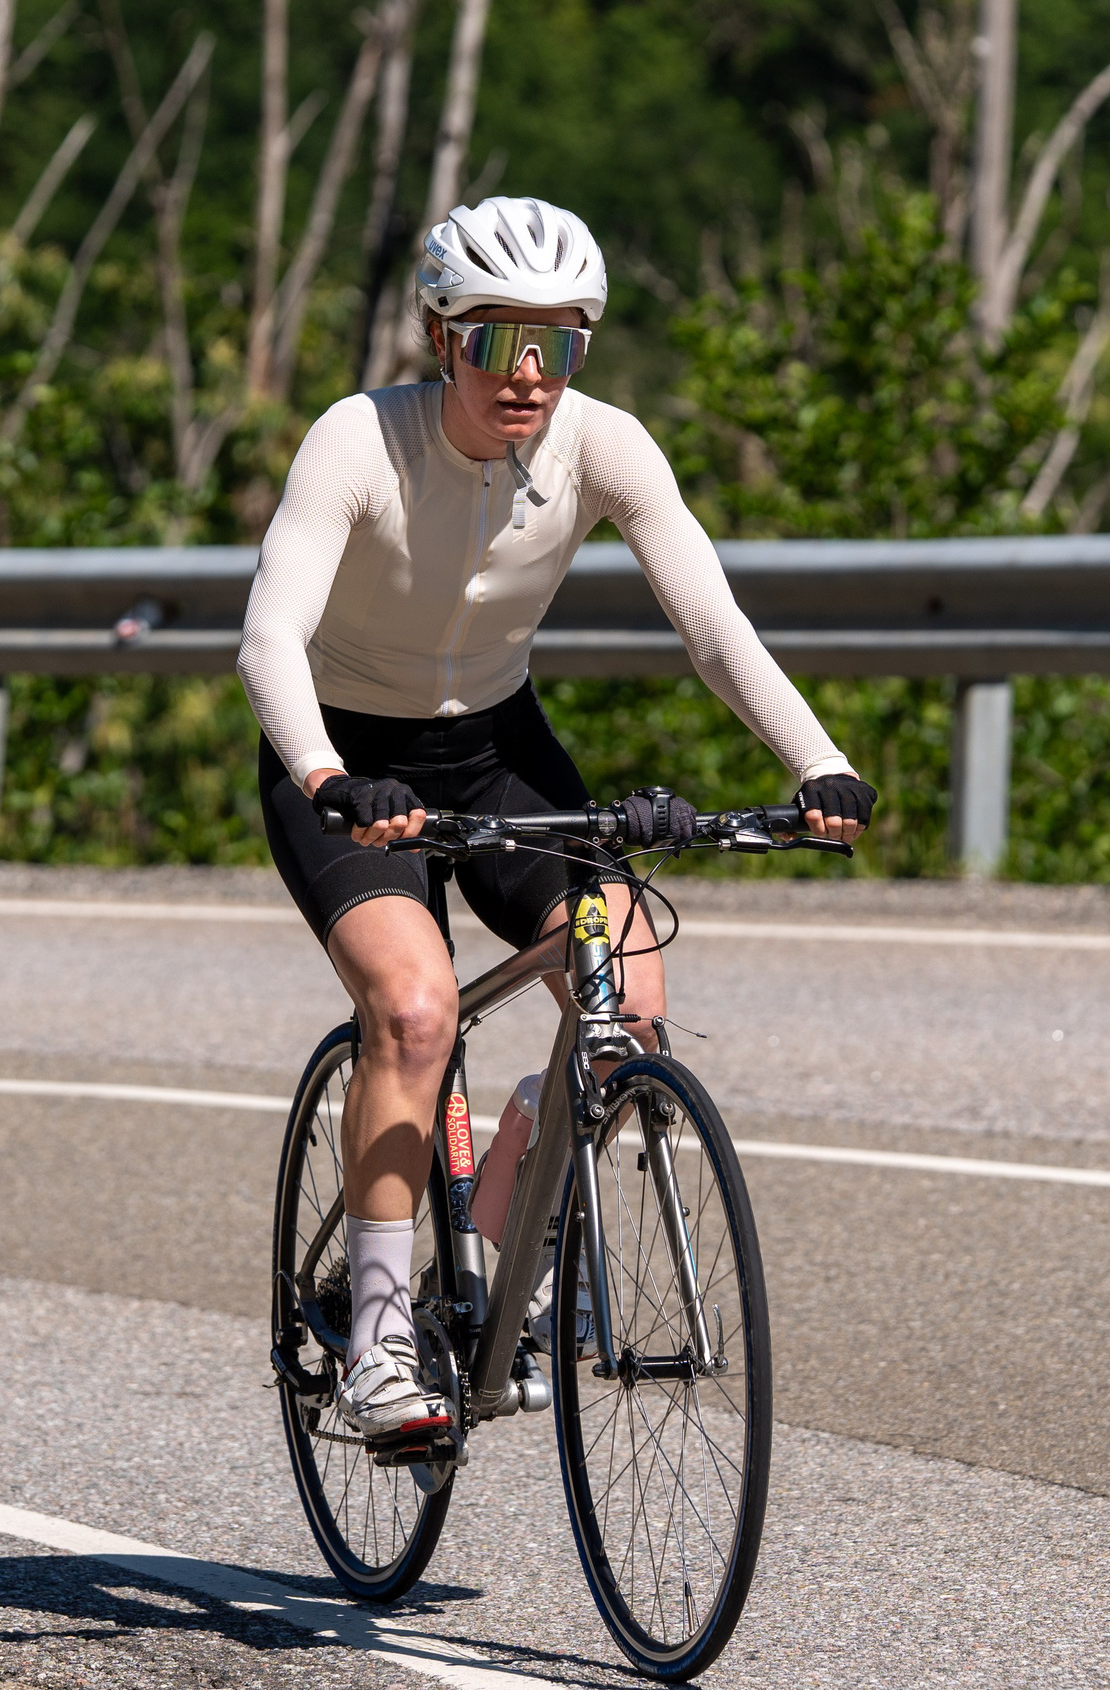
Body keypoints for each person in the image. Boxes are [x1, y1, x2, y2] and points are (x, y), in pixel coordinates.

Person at [238, 196, 876, 1445]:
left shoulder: (605, 443)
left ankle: (501, 1265)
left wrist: (819, 759)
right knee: (415, 1010)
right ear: (441, 337)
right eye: (496, 341)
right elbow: (269, 636)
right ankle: (376, 1339)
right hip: (346, 757)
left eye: (558, 344)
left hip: (496, 749)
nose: (528, 373)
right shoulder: (358, 439)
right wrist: (323, 773)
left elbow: (713, 628)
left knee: (624, 994)